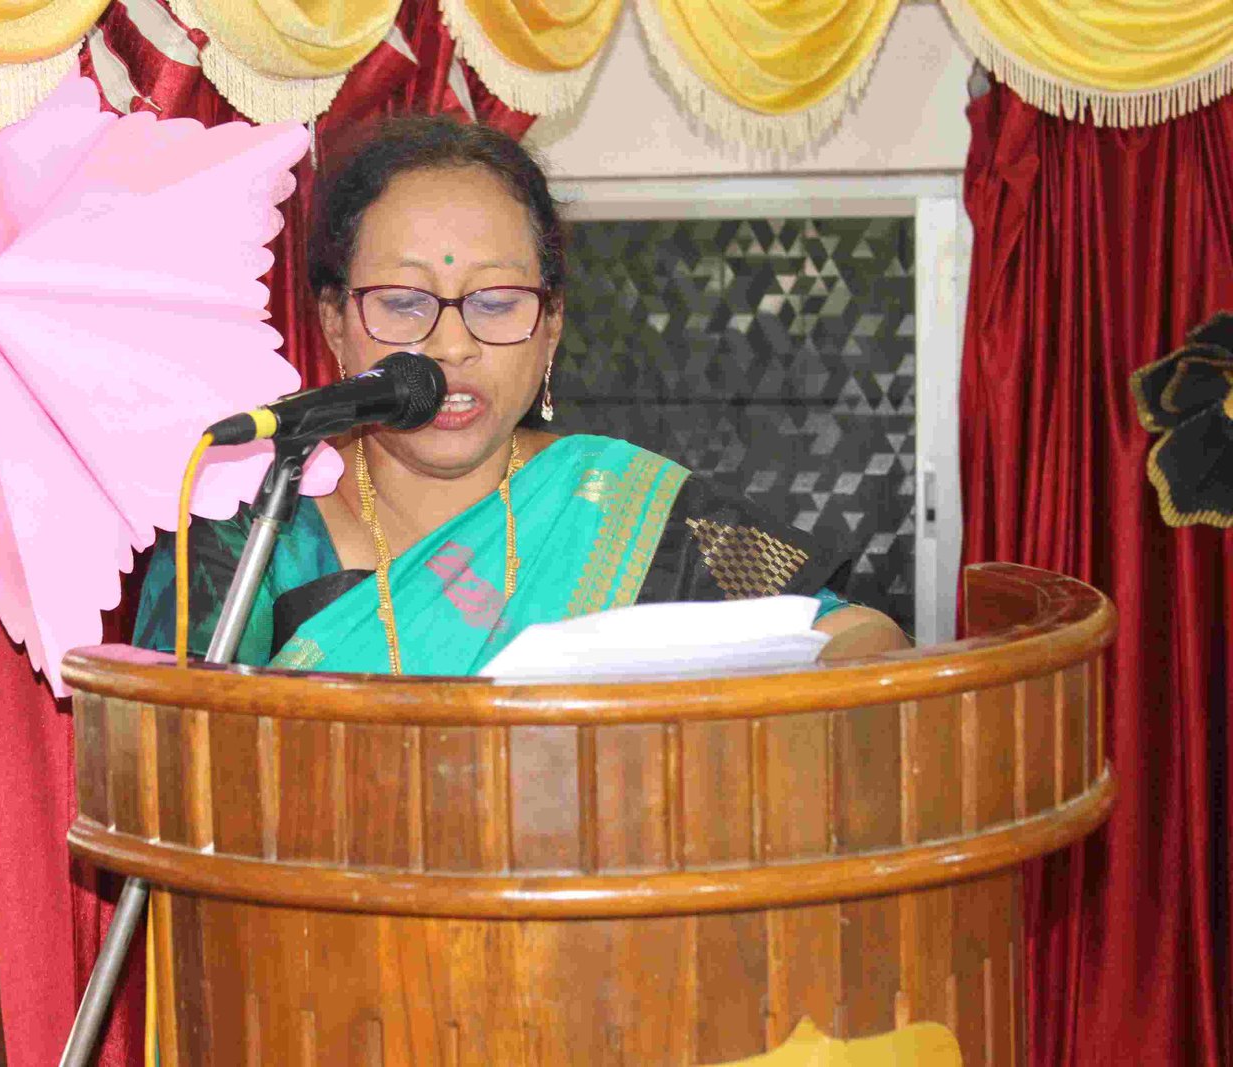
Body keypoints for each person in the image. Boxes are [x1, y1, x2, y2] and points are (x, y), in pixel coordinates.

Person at [134, 117, 905, 672]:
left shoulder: (626, 506)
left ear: (552, 326)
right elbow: (164, 759)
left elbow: (861, 639)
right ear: (334, 321)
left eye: (497, 302)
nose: (451, 345)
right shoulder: (252, 529)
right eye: (403, 302)